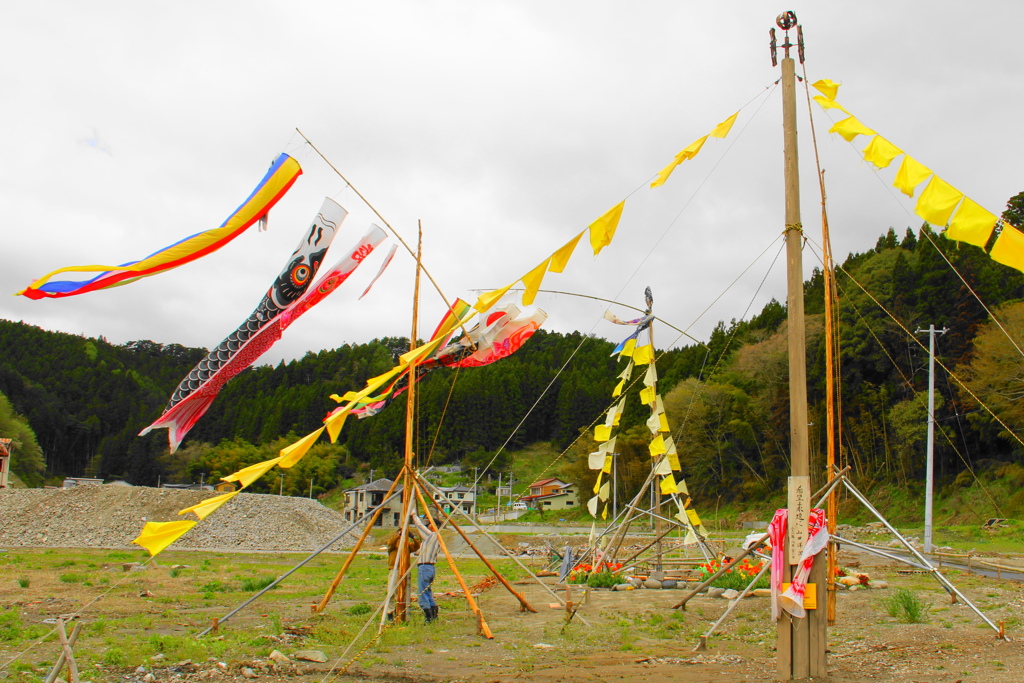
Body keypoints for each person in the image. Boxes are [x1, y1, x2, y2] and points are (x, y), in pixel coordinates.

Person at [410, 513, 441, 623]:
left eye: (429, 524)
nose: (428, 526)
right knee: (427, 592)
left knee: (422, 593)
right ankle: (434, 614)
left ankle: (428, 615)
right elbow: (420, 552)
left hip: (424, 567)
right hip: (430, 568)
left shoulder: (431, 535)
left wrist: (413, 515)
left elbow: (419, 526)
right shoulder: (436, 539)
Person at [383, 527, 419, 621]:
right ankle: (390, 612)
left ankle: (405, 613)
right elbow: (390, 544)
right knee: (391, 591)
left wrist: (413, 537)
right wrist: (398, 535)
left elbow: (416, 547)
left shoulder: (407, 544)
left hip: (405, 569)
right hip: (395, 569)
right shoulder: (393, 543)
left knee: (405, 591)